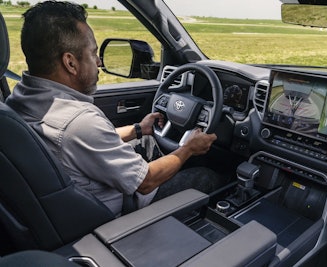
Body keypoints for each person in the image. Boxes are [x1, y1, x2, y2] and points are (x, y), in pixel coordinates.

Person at [6, 0, 226, 216]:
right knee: (206, 176)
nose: (99, 62)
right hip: (122, 211)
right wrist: (188, 148)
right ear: (70, 63)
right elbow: (146, 182)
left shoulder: (19, 99)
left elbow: (85, 144)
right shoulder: (79, 121)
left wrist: (138, 128)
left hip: (72, 200)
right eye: (93, 53)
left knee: (147, 141)